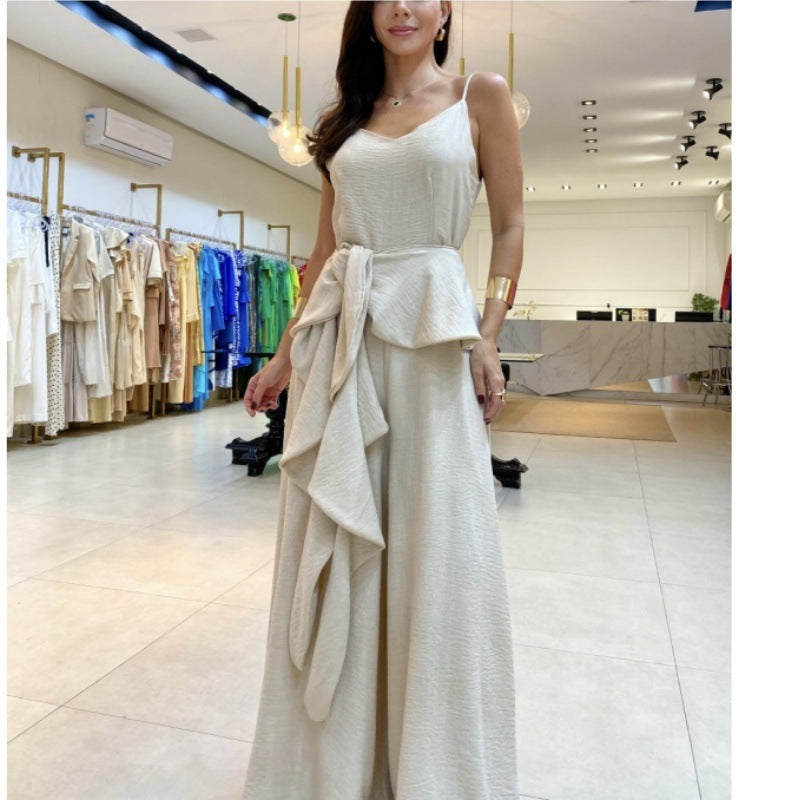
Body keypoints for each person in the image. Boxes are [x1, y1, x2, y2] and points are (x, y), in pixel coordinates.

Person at [242, 2, 523, 798]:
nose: (402, 6)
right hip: (345, 345)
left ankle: (431, 766)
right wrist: (284, 353)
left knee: (438, 542)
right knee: (343, 540)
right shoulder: (344, 121)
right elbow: (325, 249)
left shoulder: (480, 95)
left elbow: (510, 227)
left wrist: (489, 332)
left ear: (445, 10)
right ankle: (338, 766)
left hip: (431, 346)